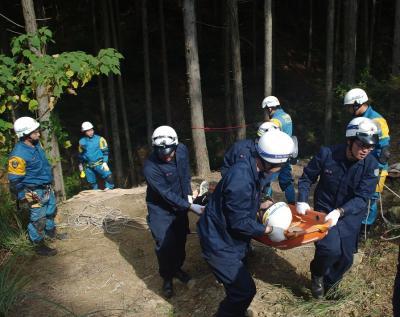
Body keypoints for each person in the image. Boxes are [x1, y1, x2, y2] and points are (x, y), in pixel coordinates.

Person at [198, 129, 295, 316]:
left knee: (238, 289)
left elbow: (243, 201)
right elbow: (239, 222)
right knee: (244, 291)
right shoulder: (241, 179)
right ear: (270, 162)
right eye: (282, 163)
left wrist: (260, 202)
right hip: (218, 241)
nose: (283, 166)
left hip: (228, 237)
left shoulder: (253, 168)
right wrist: (268, 229)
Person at [296, 117, 379, 299]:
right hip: (324, 214)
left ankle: (331, 284)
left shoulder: (371, 166)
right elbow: (306, 178)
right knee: (330, 250)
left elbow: (362, 198)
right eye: (362, 144)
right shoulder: (327, 154)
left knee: (346, 259)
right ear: (349, 140)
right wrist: (302, 199)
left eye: (370, 146)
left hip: (350, 217)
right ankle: (317, 274)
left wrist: (340, 211)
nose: (366, 150)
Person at [143, 125, 204, 298]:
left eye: (171, 153)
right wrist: (191, 207)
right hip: (160, 209)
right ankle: (167, 277)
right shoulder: (150, 168)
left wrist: (188, 195)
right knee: (164, 243)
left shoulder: (182, 150)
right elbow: (166, 194)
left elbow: (185, 174)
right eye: (163, 154)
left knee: (179, 239)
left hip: (181, 203)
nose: (168, 157)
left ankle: (177, 268)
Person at [8, 117, 63, 256]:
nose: (38, 134)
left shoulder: (37, 144)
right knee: (38, 219)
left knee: (50, 211)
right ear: (25, 134)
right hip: (33, 191)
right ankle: (38, 245)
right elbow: (15, 180)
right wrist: (22, 197)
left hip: (46, 187)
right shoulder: (18, 155)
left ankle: (51, 233)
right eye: (34, 132)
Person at [343, 88, 390, 231]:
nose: (348, 110)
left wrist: (378, 170)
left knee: (370, 199)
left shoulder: (377, 120)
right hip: (359, 165)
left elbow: (384, 151)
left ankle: (365, 229)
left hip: (375, 167)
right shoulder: (358, 120)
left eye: (350, 107)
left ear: (357, 104)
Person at [261, 96, 296, 204]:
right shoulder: (286, 116)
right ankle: (292, 204)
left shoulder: (275, 120)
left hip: (275, 156)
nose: (267, 112)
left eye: (266, 110)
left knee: (267, 180)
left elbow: (268, 136)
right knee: (286, 181)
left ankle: (267, 203)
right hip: (287, 154)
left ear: (270, 108)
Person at [78, 121, 114, 190]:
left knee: (109, 177)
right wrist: (80, 165)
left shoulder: (100, 139)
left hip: (99, 163)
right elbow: (80, 155)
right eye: (88, 131)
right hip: (88, 166)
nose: (90, 132)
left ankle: (110, 190)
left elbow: (105, 152)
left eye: (91, 130)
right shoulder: (81, 142)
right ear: (84, 132)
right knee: (91, 183)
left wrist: (105, 162)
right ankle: (95, 193)